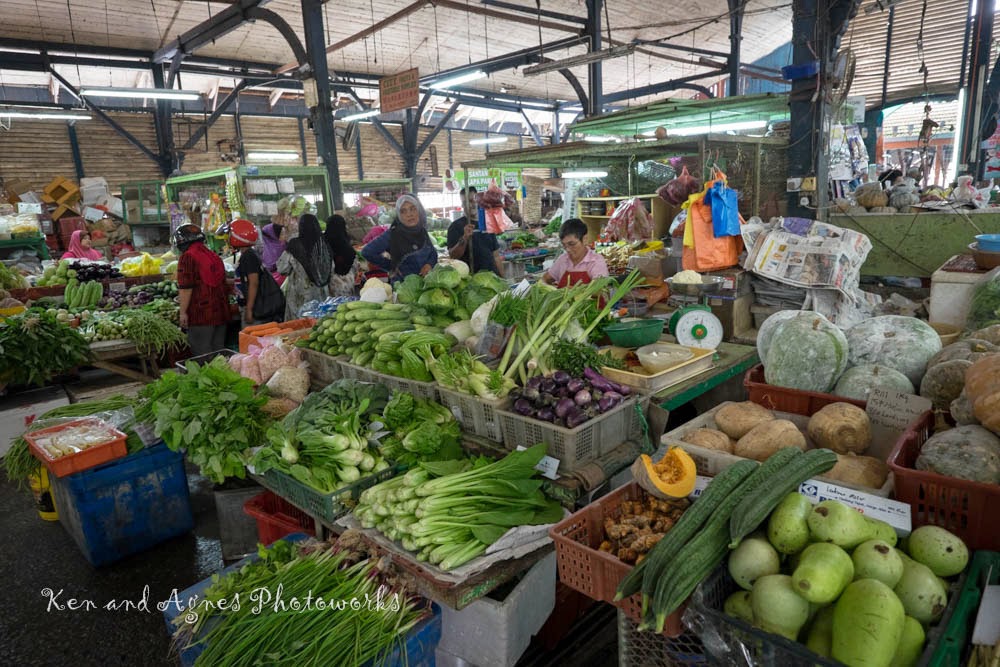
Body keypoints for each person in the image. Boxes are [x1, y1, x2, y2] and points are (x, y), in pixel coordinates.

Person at [174, 224, 230, 357]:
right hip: (221, 311)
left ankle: (209, 378)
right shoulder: (213, 255)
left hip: (201, 314)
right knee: (218, 352)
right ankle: (222, 377)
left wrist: (183, 313)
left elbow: (186, 288)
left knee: (202, 353)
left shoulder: (187, 257)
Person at [361, 194, 437, 282]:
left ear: (419, 210)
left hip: (425, 284)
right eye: (403, 211)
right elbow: (367, 252)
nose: (409, 214)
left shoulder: (421, 230)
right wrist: (391, 266)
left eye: (413, 209)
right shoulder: (393, 234)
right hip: (403, 287)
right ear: (399, 215)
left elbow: (433, 252)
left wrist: (429, 264)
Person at [229, 219, 284, 326]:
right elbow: (246, 279)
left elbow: (253, 283)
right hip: (253, 305)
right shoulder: (249, 254)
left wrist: (249, 309)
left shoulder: (249, 256)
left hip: (255, 308)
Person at [278, 214, 331, 321]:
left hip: (300, 292)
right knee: (319, 321)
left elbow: (282, 268)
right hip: (321, 292)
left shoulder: (295, 245)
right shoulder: (324, 244)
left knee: (300, 322)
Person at [448, 187, 504, 276]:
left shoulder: (487, 223)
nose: (469, 205)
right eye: (465, 202)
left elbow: (496, 256)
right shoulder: (455, 226)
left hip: (493, 277)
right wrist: (465, 238)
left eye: (471, 201)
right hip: (472, 280)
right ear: (462, 205)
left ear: (477, 200)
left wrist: (503, 278)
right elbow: (453, 256)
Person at [541, 218, 609, 287]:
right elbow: (545, 279)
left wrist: (571, 291)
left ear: (585, 239)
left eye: (572, 244)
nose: (568, 249)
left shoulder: (596, 261)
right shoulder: (563, 259)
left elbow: (599, 289)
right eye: (564, 245)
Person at [324, 213, 357, 298]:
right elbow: (354, 265)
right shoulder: (346, 245)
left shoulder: (323, 244)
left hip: (328, 286)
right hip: (346, 283)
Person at [260, 221, 286, 285]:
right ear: (273, 235)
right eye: (282, 234)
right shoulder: (262, 249)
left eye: (285, 233)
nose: (285, 236)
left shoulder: (285, 246)